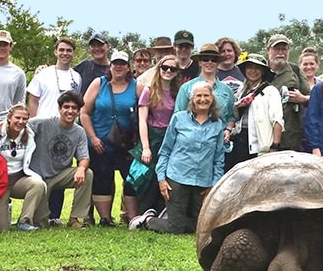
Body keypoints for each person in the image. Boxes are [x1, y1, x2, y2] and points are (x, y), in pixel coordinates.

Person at [129, 82, 225, 233]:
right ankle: (147, 220)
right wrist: (161, 179)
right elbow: (165, 150)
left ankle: (172, 216)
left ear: (212, 99)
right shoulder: (179, 119)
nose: (202, 99)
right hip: (177, 178)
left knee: (201, 228)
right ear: (192, 99)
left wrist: (214, 185)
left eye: (206, 96)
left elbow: (219, 158)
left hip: (202, 181)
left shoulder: (217, 124)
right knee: (176, 229)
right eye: (198, 96)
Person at [80, 51, 142, 226]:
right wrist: (93, 138)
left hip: (127, 144)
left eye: (122, 63)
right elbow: (84, 112)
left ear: (128, 67)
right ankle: (105, 218)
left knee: (131, 179)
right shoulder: (99, 84)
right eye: (115, 63)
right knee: (102, 179)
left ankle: (133, 218)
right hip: (100, 142)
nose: (119, 67)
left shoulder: (136, 86)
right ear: (110, 66)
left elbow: (146, 112)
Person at [26, 91, 93, 228]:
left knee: (88, 174)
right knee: (41, 224)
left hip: (59, 176)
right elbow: (19, 123)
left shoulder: (79, 131)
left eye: (74, 108)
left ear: (79, 111)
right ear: (59, 109)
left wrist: (81, 168)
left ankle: (74, 219)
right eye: (66, 107)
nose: (70, 111)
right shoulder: (42, 123)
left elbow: (84, 157)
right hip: (37, 178)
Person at [131, 55, 182, 215]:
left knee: (167, 176)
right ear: (158, 68)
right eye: (164, 67)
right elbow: (142, 120)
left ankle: (163, 214)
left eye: (172, 69)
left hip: (171, 137)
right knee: (146, 177)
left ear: (176, 72)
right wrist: (145, 147)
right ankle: (142, 214)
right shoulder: (149, 90)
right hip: (151, 136)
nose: (168, 71)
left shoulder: (179, 92)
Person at [0, 104, 46, 232]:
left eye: (25, 119)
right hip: (0, 181)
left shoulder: (29, 134)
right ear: (9, 118)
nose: (21, 122)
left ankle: (24, 221)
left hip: (18, 179)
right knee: (0, 229)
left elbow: (46, 119)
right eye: (17, 118)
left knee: (37, 184)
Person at [224, 53, 284, 170]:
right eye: (250, 67)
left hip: (260, 144)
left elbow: (277, 120)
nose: (253, 71)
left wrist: (275, 146)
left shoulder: (270, 91)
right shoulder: (242, 90)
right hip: (240, 141)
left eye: (257, 68)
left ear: (263, 71)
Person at [174, 44, 236, 129]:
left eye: (213, 60)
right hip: (192, 137)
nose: (209, 62)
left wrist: (228, 130)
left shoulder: (227, 90)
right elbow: (178, 115)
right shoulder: (186, 87)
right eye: (205, 59)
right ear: (199, 62)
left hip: (219, 138)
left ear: (218, 63)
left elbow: (231, 116)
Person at [266, 34, 310, 151]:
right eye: (277, 49)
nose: (280, 52)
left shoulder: (295, 70)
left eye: (284, 49)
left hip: (291, 138)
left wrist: (302, 99)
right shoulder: (259, 70)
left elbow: (311, 97)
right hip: (264, 137)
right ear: (268, 49)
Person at [27, 37, 81, 118]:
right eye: (61, 50)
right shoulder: (43, 73)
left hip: (66, 125)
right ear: (55, 52)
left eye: (69, 50)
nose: (65, 53)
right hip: (43, 124)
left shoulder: (77, 77)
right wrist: (33, 123)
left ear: (74, 53)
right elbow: (33, 101)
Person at [0, 30, 26, 120]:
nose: (2, 48)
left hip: (7, 121)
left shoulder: (18, 73)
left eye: (5, 44)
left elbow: (19, 102)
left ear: (11, 46)